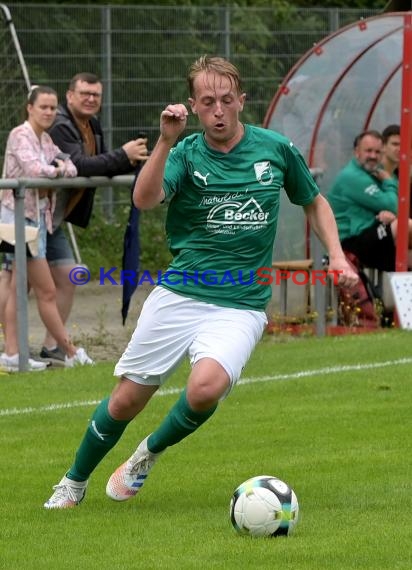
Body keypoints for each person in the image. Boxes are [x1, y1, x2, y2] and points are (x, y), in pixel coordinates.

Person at [44, 55, 357, 509]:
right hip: (180, 295)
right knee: (127, 400)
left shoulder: (275, 149)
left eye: (226, 100)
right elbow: (145, 199)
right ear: (193, 105)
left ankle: (146, 454)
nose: (218, 110)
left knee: (204, 388)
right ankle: (73, 482)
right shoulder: (186, 152)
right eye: (207, 101)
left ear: (241, 101)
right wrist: (165, 142)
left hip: (241, 303)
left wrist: (338, 256)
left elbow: (314, 202)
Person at [41, 72, 148, 362]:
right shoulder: (60, 125)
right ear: (70, 95)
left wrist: (136, 164)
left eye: (96, 95)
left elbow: (100, 167)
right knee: (16, 282)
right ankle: (12, 351)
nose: (90, 99)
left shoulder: (91, 125)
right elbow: (81, 165)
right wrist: (123, 154)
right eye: (84, 93)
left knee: (66, 278)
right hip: (29, 214)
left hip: (53, 219)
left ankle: (52, 347)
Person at [0, 85, 94, 371]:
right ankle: (69, 351)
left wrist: (58, 168)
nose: (49, 112)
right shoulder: (21, 135)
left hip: (35, 222)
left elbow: (71, 166)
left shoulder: (45, 139)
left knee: (19, 288)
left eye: (53, 108)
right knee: (47, 290)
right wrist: (56, 170)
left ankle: (14, 354)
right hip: (16, 221)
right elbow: (35, 170)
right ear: (29, 107)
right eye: (43, 107)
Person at [328, 129, 412, 271]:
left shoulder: (373, 172)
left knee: (407, 247)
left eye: (377, 152)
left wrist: (390, 215)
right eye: (368, 151)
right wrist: (388, 182)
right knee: (405, 226)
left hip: (370, 233)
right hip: (351, 242)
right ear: (357, 152)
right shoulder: (353, 177)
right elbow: (397, 206)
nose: (373, 156)